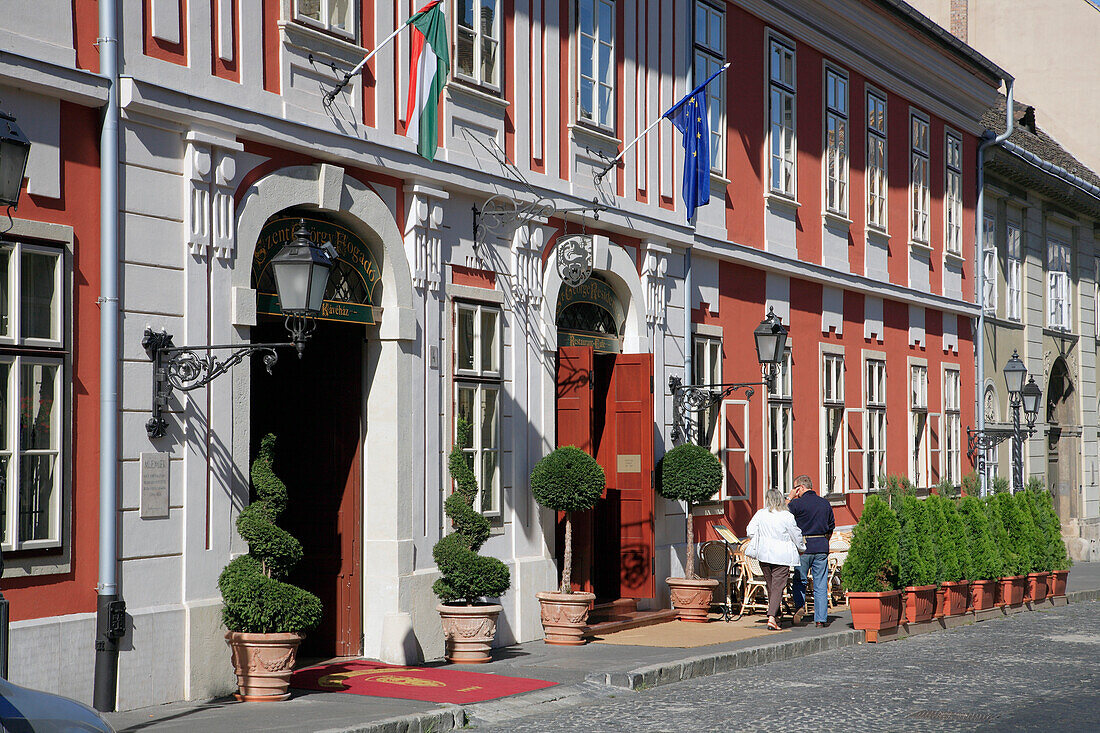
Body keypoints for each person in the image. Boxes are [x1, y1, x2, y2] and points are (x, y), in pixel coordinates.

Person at [745, 488, 805, 631]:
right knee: (777, 586)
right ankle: (772, 616)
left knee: (771, 586)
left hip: (764, 554)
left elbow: (750, 531)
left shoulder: (761, 514)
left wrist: (762, 539)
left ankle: (776, 616)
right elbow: (796, 534)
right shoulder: (786, 516)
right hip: (781, 555)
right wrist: (801, 548)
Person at [788, 475, 836, 628]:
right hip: (821, 545)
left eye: (796, 488)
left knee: (800, 580)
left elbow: (783, 516)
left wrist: (789, 498)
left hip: (803, 546)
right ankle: (820, 619)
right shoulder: (824, 503)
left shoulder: (796, 504)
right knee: (820, 583)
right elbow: (831, 526)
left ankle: (800, 606)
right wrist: (824, 541)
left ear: (800, 488)